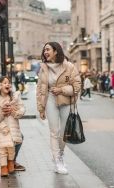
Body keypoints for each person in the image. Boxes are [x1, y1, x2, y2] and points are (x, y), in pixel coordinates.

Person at [36, 42, 81, 174]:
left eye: (48, 49)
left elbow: (77, 86)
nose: (45, 52)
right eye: (44, 50)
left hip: (66, 101)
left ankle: (60, 153)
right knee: (54, 132)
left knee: (64, 133)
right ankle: (57, 160)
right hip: (50, 100)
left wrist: (61, 90)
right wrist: (40, 108)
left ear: (56, 51)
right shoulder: (43, 68)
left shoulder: (69, 67)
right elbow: (40, 89)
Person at [0, 76, 25, 177]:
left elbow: (22, 110)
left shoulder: (14, 98)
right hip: (1, 129)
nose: (8, 84)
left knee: (12, 147)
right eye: (4, 83)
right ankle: (3, 167)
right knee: (2, 149)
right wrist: (3, 127)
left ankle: (11, 163)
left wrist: (14, 112)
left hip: (13, 126)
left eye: (9, 82)